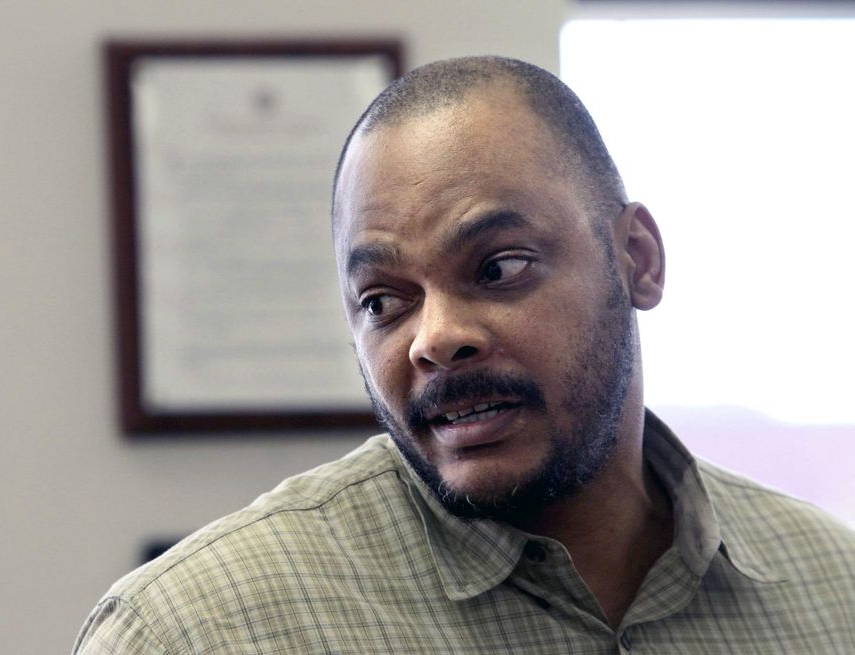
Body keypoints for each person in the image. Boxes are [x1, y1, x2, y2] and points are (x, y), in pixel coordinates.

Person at [73, 56, 855, 654]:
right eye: (384, 301)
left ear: (638, 259)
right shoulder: (196, 631)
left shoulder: (835, 588)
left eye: (498, 267)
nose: (434, 336)